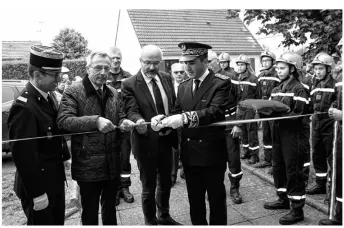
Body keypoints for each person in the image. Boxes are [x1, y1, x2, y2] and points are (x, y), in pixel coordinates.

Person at [152, 42, 230, 225]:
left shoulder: (221, 83)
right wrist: (162, 120)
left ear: (205, 61)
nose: (187, 67)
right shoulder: (185, 85)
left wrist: (184, 118)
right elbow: (176, 112)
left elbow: (215, 112)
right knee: (195, 200)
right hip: (189, 153)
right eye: (184, 63)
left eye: (192, 63)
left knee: (216, 199)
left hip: (212, 153)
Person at [57, 50, 135, 225]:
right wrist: (95, 121)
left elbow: (120, 115)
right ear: (87, 68)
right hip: (88, 165)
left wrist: (124, 123)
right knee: (90, 212)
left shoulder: (113, 92)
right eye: (98, 67)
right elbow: (64, 121)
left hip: (112, 162)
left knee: (110, 210)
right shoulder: (73, 91)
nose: (103, 72)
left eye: (106, 68)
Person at [7, 45, 71, 225]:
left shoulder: (46, 96)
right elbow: (23, 156)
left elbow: (53, 129)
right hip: (40, 185)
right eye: (55, 75)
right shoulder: (24, 107)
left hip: (53, 179)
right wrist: (37, 193)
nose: (58, 79)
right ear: (37, 75)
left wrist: (65, 155)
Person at [121, 45, 180, 225]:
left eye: (156, 63)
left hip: (167, 139)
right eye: (148, 63)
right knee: (148, 186)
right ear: (140, 61)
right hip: (145, 141)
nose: (152, 67)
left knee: (166, 182)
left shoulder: (167, 78)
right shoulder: (129, 83)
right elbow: (131, 110)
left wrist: (171, 121)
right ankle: (150, 221)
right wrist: (139, 122)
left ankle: (164, 215)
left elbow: (174, 105)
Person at [263, 52, 309, 225]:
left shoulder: (299, 89)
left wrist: (280, 111)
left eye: (282, 68)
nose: (278, 71)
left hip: (294, 135)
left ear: (292, 69)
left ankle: (297, 209)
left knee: (293, 170)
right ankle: (283, 199)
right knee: (278, 166)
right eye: (277, 68)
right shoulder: (276, 89)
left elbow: (298, 114)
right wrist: (261, 108)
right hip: (278, 133)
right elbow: (269, 108)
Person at [319, 37, 342, 226]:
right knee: (338, 170)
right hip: (339, 132)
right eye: (341, 50)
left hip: (336, 126)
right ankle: (338, 213)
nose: (341, 54)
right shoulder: (341, 78)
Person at [306, 53, 336, 199]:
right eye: (316, 69)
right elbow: (311, 104)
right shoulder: (314, 84)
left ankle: (333, 188)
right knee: (317, 154)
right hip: (316, 123)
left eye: (320, 69)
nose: (317, 72)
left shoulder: (335, 84)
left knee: (331, 156)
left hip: (330, 125)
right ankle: (320, 184)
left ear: (328, 69)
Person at [106, 47, 134, 206]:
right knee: (111, 158)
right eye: (113, 58)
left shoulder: (128, 77)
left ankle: (125, 188)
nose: (115, 60)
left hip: (124, 126)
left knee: (124, 158)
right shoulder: (102, 77)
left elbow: (131, 102)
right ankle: (114, 189)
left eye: (118, 58)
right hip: (108, 126)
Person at [232, 54, 260, 164]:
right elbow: (233, 94)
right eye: (238, 65)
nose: (239, 67)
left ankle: (254, 155)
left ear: (247, 65)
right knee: (242, 130)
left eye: (241, 65)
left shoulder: (253, 78)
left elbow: (258, 95)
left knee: (251, 131)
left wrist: (256, 110)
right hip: (240, 108)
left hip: (250, 108)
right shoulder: (235, 78)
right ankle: (246, 151)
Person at [254, 51, 279, 169]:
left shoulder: (277, 75)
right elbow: (258, 93)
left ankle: (276, 162)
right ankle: (268, 159)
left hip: (273, 109)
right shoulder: (260, 76)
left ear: (273, 61)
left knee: (275, 135)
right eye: (263, 61)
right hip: (263, 109)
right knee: (266, 134)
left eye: (267, 60)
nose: (264, 63)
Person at [170, 62, 187, 184]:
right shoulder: (168, 87)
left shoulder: (190, 84)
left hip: (186, 121)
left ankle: (186, 171)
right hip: (173, 121)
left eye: (181, 72)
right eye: (176, 72)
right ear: (172, 73)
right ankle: (172, 175)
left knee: (186, 146)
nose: (179, 74)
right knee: (174, 148)